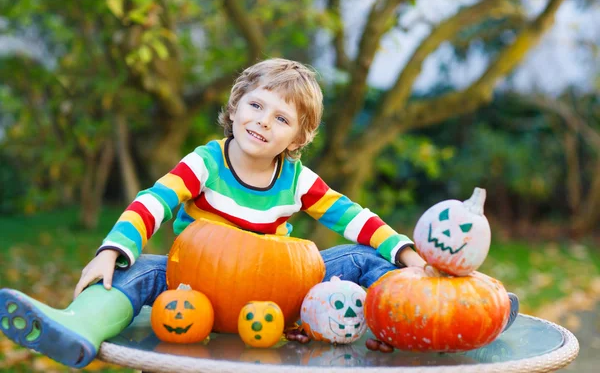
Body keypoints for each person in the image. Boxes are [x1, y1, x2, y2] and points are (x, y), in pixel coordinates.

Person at [0, 59, 518, 368]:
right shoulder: (205, 162)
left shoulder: (297, 180)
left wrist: (403, 251)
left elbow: (352, 216)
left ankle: (434, 315)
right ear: (235, 106)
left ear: (298, 137)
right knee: (138, 275)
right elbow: (153, 203)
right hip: (196, 285)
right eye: (255, 106)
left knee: (361, 257)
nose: (262, 122)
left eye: (281, 118)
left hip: (281, 292)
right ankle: (77, 328)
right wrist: (114, 246)